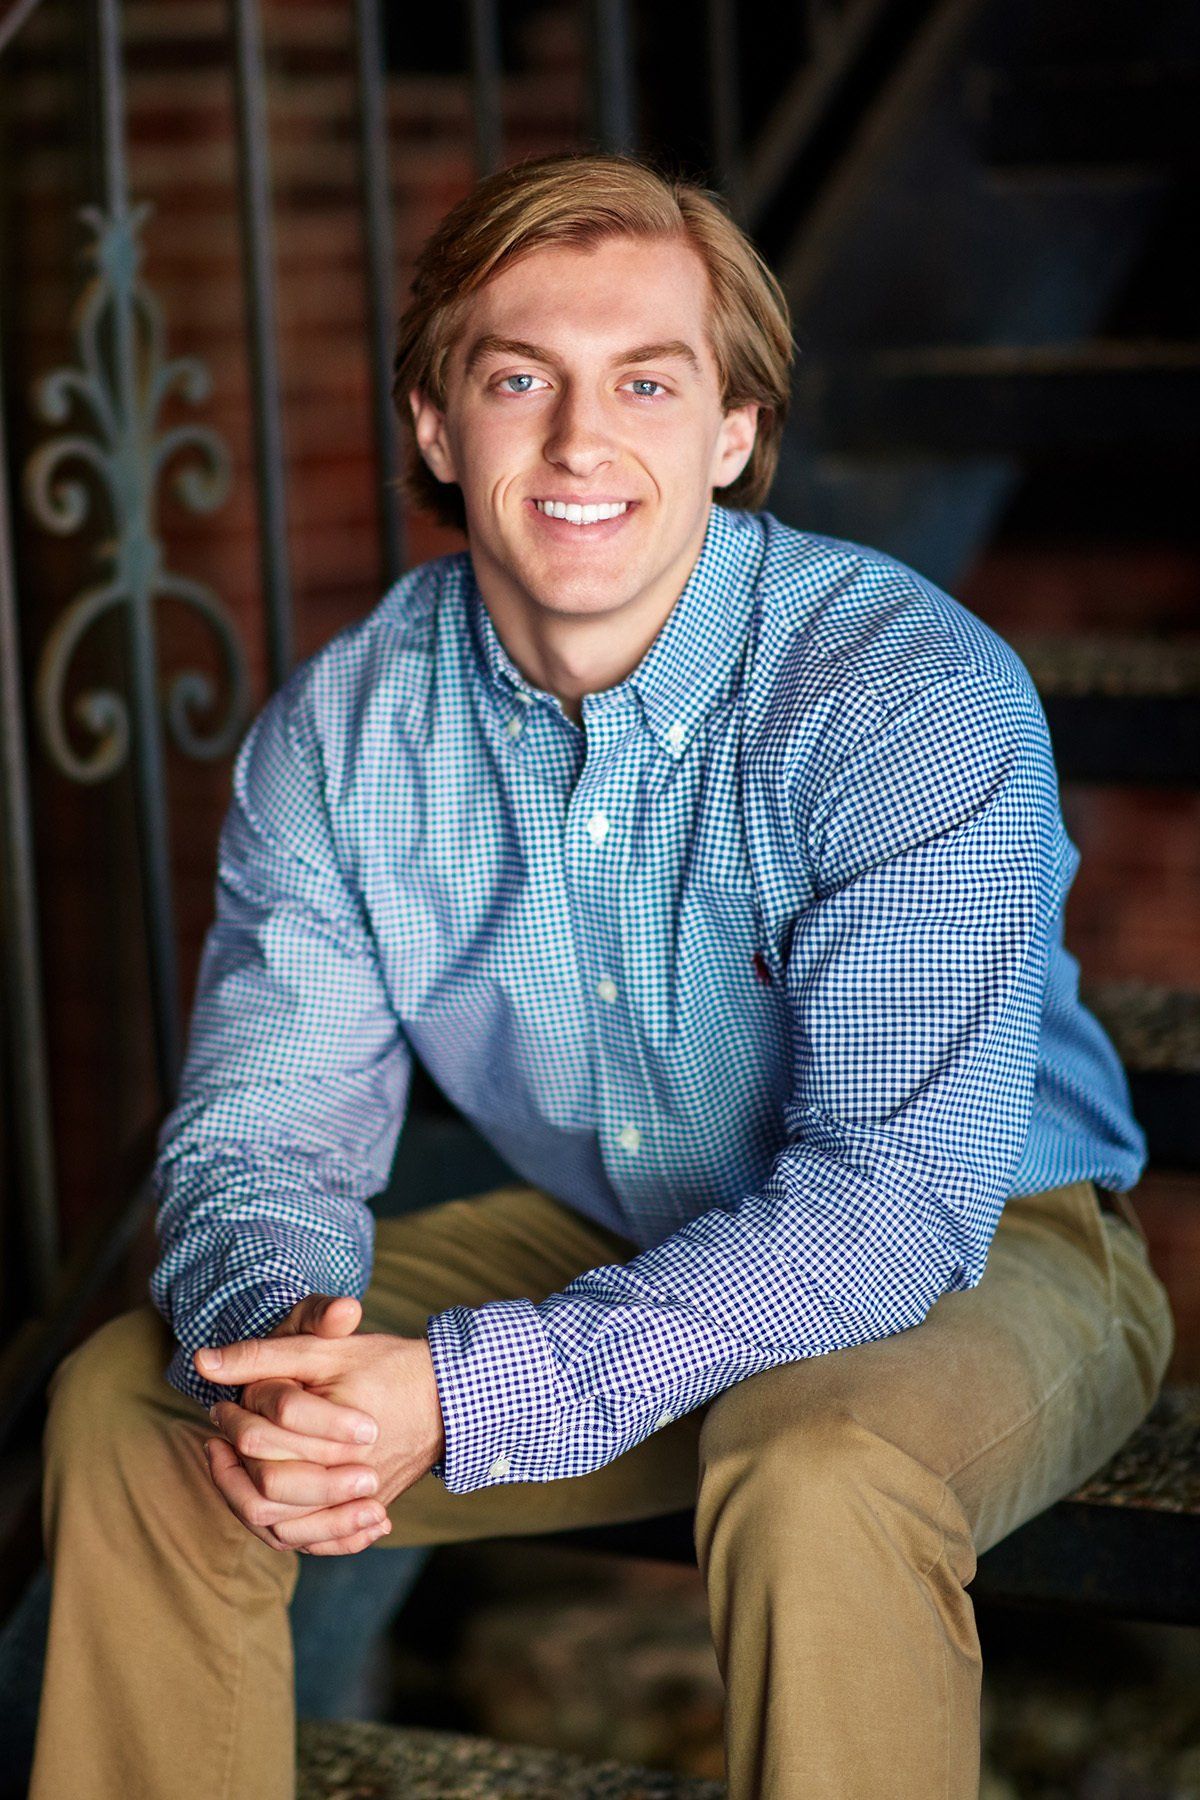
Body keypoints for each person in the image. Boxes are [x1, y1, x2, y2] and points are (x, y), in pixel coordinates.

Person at [29, 150, 1174, 1800]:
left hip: (989, 1240)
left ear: (731, 433)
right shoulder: (346, 738)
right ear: (439, 426)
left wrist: (477, 1390)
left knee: (817, 1464)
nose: (581, 441)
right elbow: (262, 1140)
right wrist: (299, 1355)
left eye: (648, 381)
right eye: (519, 380)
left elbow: (888, 1209)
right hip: (628, 1227)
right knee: (146, 1402)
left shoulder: (904, 696)